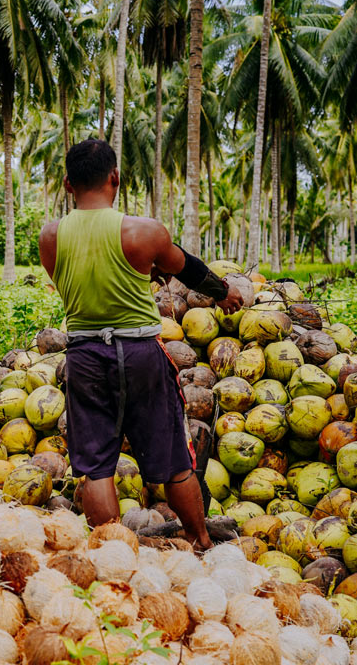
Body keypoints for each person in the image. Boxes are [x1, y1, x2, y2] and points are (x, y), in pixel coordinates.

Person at [38, 139, 243, 551]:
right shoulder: (143, 232)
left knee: (96, 469)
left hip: (84, 356)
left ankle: (113, 554)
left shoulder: (51, 235)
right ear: (115, 178)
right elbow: (188, 270)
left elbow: (71, 281)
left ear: (67, 185)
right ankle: (200, 540)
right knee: (174, 460)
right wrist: (224, 293)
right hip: (140, 355)